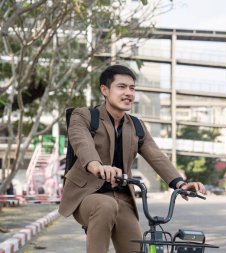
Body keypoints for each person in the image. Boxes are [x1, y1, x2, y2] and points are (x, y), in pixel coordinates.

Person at [58, 65, 206, 253]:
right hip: (85, 195)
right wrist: (97, 166)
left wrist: (180, 184)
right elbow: (82, 144)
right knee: (105, 205)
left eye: (132, 88)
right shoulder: (84, 116)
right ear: (105, 90)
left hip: (121, 197)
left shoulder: (136, 125)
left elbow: (157, 156)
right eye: (121, 87)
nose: (128, 93)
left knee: (136, 248)